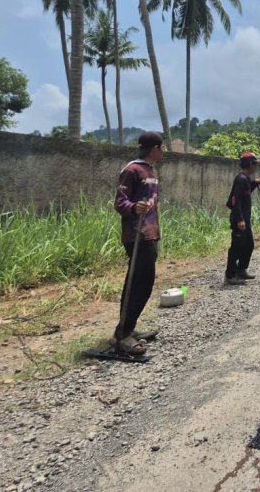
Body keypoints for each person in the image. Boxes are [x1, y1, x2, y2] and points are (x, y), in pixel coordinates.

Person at [112, 131, 165, 355]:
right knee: (137, 283)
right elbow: (120, 202)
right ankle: (122, 335)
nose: (163, 151)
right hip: (136, 234)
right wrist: (134, 207)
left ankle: (130, 327)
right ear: (155, 148)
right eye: (162, 147)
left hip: (150, 232)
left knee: (145, 283)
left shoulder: (151, 170)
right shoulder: (132, 170)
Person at [224, 152, 260, 285]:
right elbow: (235, 200)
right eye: (255, 164)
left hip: (245, 219)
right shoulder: (241, 179)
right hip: (239, 219)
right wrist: (239, 219)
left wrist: (254, 182)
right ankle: (230, 275)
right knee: (237, 247)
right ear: (249, 164)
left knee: (249, 245)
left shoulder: (246, 179)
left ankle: (241, 270)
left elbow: (246, 192)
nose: (256, 166)